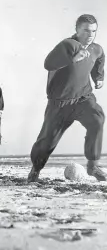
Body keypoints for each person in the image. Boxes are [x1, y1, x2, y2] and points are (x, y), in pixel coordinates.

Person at [28, 14, 106, 182]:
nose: (90, 34)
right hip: (60, 104)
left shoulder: (95, 48)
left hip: (83, 99)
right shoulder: (67, 45)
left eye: (93, 31)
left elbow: (99, 58)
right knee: (47, 142)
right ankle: (35, 170)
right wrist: (71, 59)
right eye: (85, 30)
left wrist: (98, 77)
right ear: (77, 30)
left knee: (97, 118)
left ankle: (93, 166)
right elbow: (48, 64)